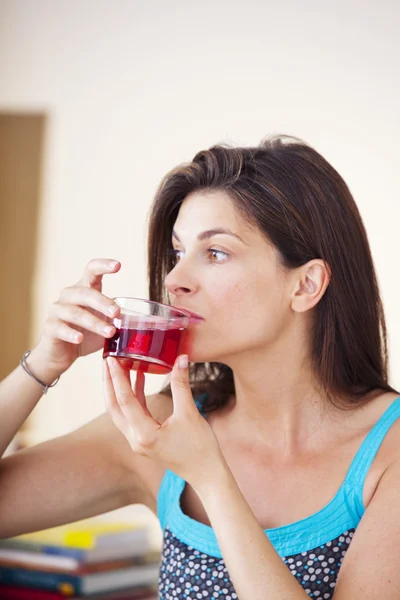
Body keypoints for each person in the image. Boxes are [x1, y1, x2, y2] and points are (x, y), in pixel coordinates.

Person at [1, 135, 400, 600]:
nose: (173, 280)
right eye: (177, 252)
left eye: (215, 253)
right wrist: (44, 364)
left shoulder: (387, 456)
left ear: (306, 284)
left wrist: (211, 477)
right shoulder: (161, 432)